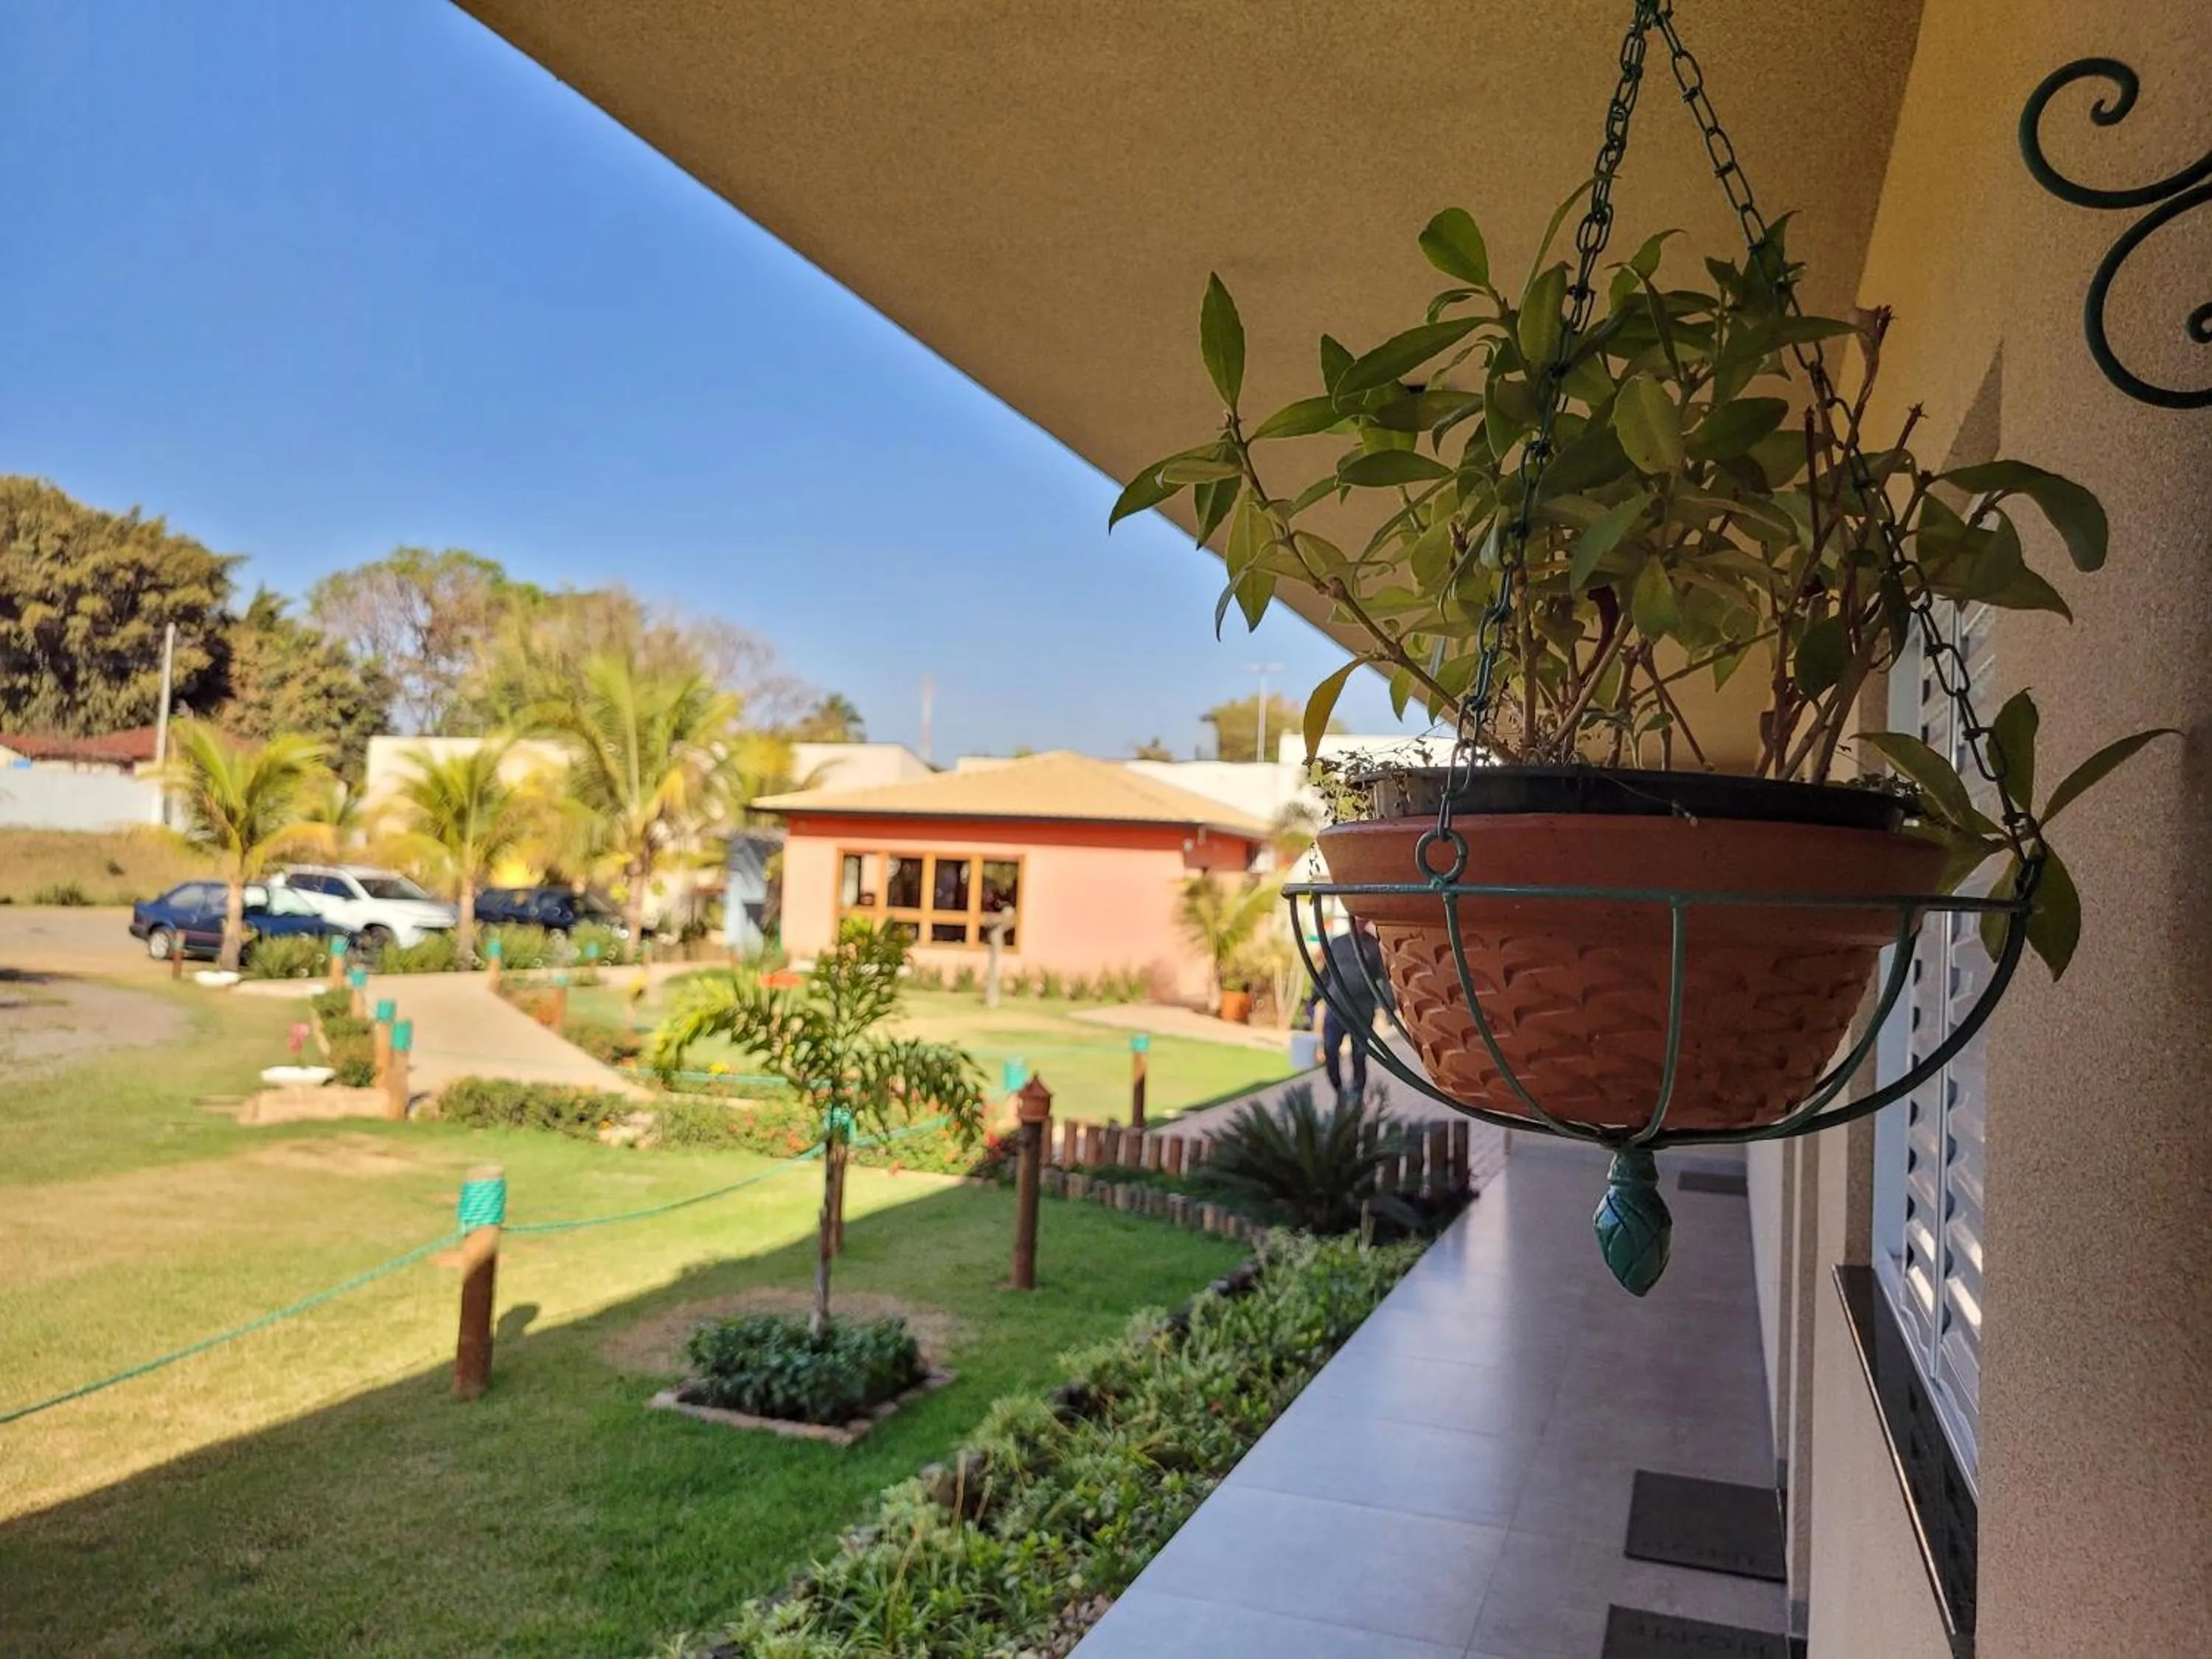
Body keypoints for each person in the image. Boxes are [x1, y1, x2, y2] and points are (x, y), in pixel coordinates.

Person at [1305, 918, 1389, 1107]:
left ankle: (1357, 1093)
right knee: (1330, 1049)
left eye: (1361, 921)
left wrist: (1388, 1007)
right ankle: (1338, 1089)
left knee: (1359, 1055)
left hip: (1362, 1010)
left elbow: (1385, 978)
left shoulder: (1374, 947)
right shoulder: (1337, 943)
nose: (1357, 924)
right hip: (1337, 1008)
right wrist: (1314, 997)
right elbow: (1326, 973)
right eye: (1354, 920)